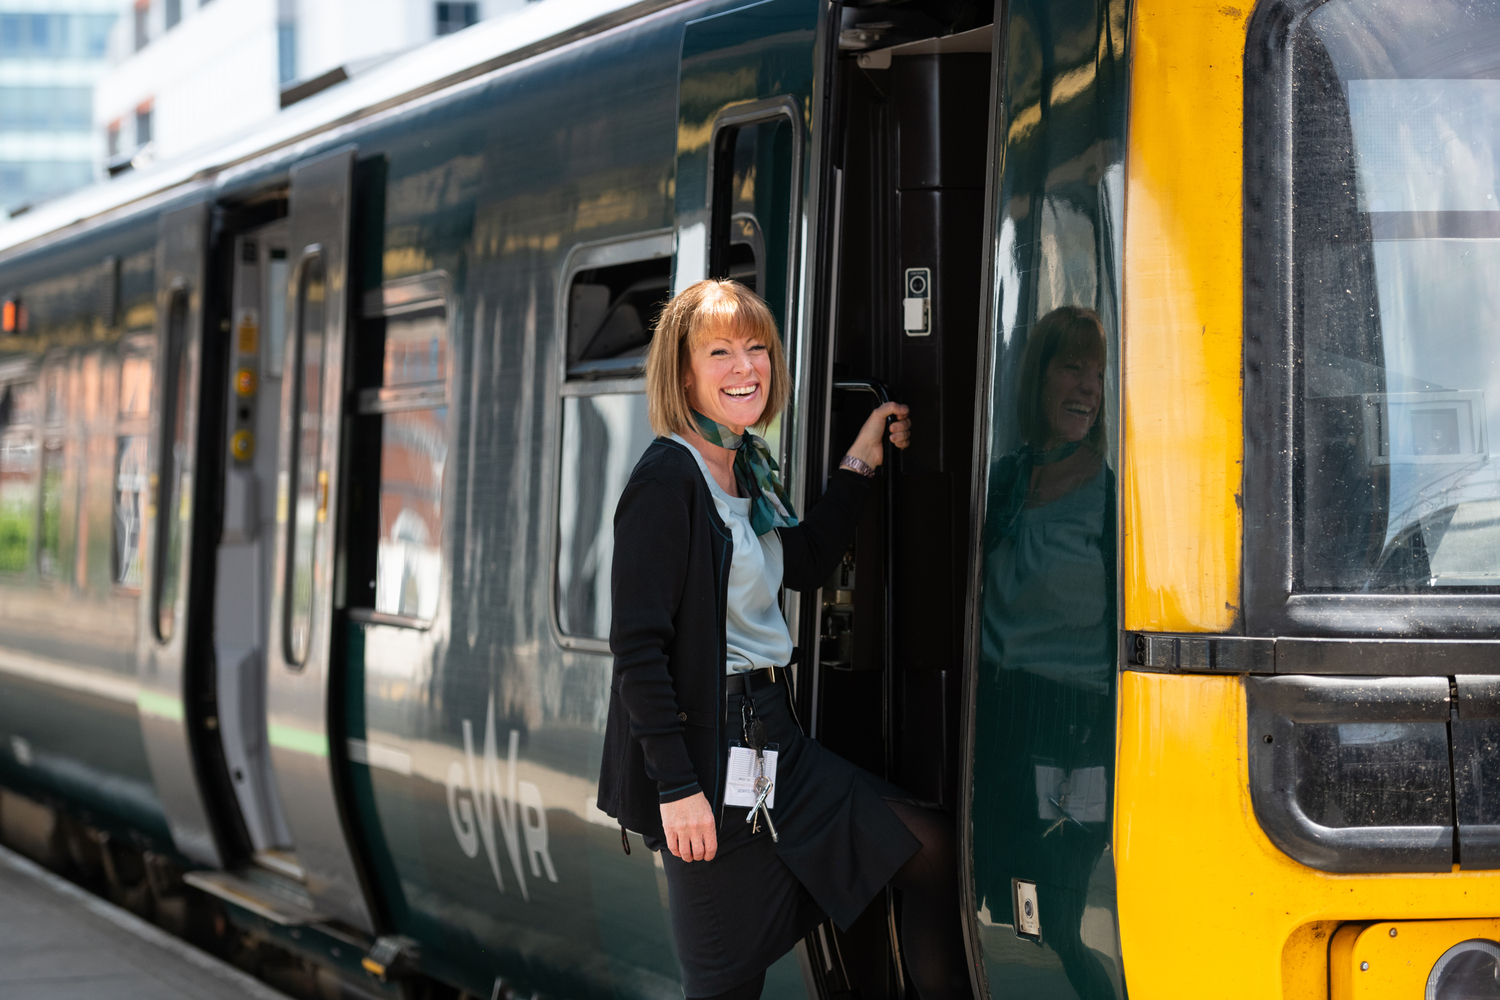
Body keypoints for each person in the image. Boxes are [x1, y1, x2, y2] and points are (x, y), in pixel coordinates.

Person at [596, 279, 971, 1000]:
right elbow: (638, 651)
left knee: (925, 850)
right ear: (683, 373)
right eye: (721, 352)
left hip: (771, 748)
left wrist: (861, 460)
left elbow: (802, 564)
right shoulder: (667, 479)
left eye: (757, 349)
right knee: (727, 984)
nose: (746, 368)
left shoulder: (744, 469)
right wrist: (677, 789)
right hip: (709, 762)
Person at [972, 305, 1119, 999]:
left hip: (1073, 727)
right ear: (1037, 381)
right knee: (1004, 901)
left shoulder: (1114, 502)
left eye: (1097, 374)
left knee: (1054, 913)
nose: (1087, 388)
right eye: (1072, 368)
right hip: (1000, 719)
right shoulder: (1003, 481)